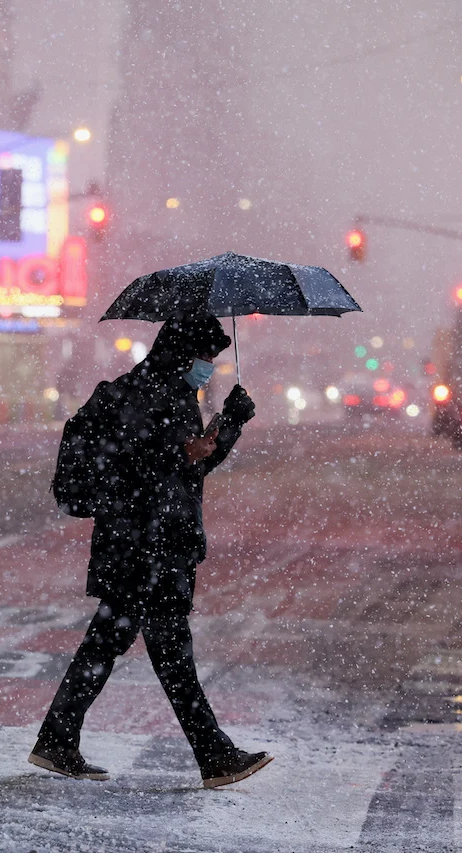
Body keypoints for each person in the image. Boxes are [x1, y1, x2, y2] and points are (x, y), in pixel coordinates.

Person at [29, 315, 272, 789]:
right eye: (205, 358)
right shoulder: (144, 395)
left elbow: (189, 467)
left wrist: (230, 425)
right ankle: (214, 755)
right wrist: (184, 453)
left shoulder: (174, 393)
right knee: (168, 650)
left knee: (118, 642)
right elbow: (140, 463)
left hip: (153, 542)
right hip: (146, 543)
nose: (208, 367)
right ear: (182, 353)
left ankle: (58, 740)